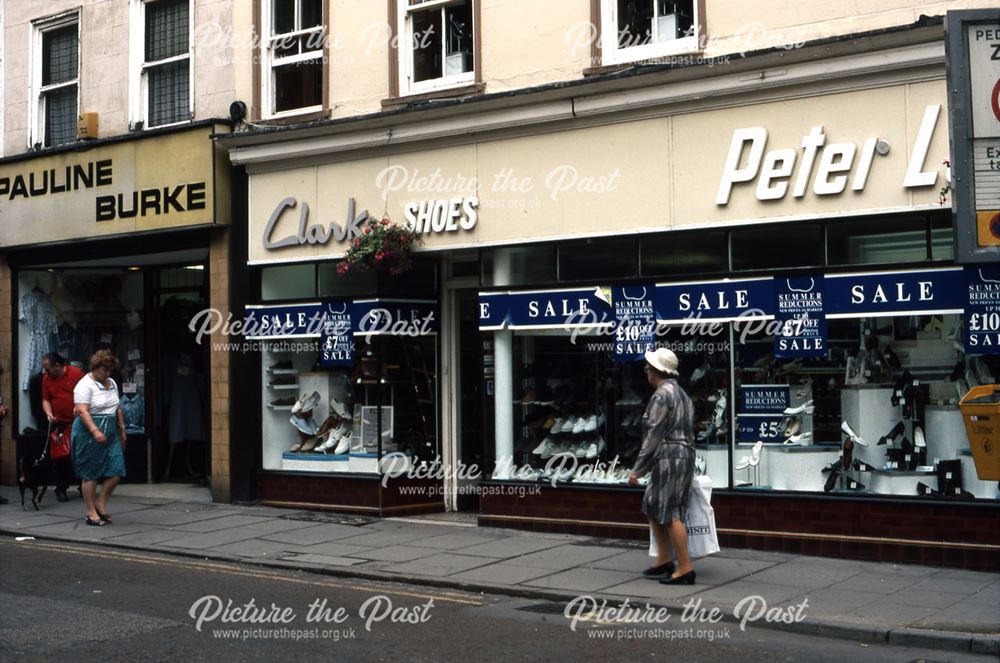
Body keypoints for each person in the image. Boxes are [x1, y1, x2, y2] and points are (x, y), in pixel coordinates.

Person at [628, 347, 698, 585]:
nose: (646, 371)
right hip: (684, 455)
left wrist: (638, 468)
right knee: (652, 504)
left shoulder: (661, 395)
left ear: (656, 371)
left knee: (671, 512)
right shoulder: (683, 395)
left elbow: (654, 434)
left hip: (669, 457)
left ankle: (685, 568)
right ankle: (664, 559)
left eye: (648, 368)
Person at [71, 350, 127, 526]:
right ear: (95, 368)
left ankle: (101, 503)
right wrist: (95, 431)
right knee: (91, 473)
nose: (108, 373)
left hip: (110, 431)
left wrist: (122, 429)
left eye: (110, 370)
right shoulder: (84, 385)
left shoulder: (111, 382)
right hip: (88, 432)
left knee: (117, 470)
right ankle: (91, 512)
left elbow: (117, 407)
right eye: (104, 370)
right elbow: (82, 410)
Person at [41, 352, 85, 501]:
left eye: (47, 369)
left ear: (58, 366)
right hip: (59, 423)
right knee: (60, 457)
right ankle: (61, 488)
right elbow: (46, 399)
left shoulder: (76, 373)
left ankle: (83, 486)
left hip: (78, 422)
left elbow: (88, 393)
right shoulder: (46, 379)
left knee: (80, 455)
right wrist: (48, 412)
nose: (45, 372)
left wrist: (81, 408)